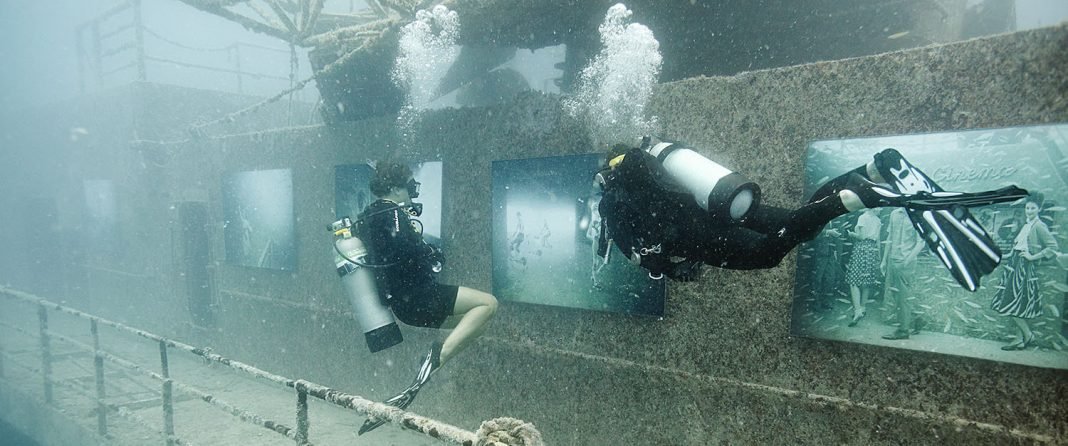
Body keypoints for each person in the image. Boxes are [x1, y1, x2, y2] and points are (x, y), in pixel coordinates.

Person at [594, 136, 1028, 288]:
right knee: (792, 221)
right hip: (721, 204)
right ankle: (870, 170)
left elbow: (643, 255)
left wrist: (673, 269)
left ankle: (851, 198)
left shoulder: (613, 201)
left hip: (699, 237)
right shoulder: (656, 166)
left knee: (768, 253)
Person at [356, 161, 498, 434]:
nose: (412, 188)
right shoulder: (392, 214)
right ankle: (435, 359)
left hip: (403, 305)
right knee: (488, 304)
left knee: (474, 324)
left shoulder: (369, 215)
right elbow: (405, 251)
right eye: (408, 183)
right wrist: (429, 252)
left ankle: (432, 361)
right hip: (420, 297)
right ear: (396, 187)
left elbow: (388, 253)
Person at [991, 197, 1059, 351]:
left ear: (1039, 209)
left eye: (1033, 208)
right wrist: (1004, 255)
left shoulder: (1039, 226)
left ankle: (1028, 335)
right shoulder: (1026, 225)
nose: (1029, 211)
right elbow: (1018, 247)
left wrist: (1032, 257)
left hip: (1024, 267)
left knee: (1011, 301)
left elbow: (1053, 246)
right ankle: (1019, 339)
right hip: (1014, 264)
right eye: (1027, 208)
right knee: (1017, 303)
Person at [880, 207, 926, 339]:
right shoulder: (894, 213)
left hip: (906, 262)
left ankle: (903, 330)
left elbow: (921, 242)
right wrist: (884, 260)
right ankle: (916, 319)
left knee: (902, 296)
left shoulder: (919, 215)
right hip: (892, 260)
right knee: (897, 295)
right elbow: (889, 237)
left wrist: (907, 260)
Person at [845, 208, 881, 327]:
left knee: (853, 281)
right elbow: (879, 241)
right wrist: (879, 257)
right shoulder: (877, 220)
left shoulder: (862, 218)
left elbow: (861, 236)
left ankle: (857, 310)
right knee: (867, 281)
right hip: (872, 250)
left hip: (861, 249)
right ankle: (863, 307)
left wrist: (851, 234)